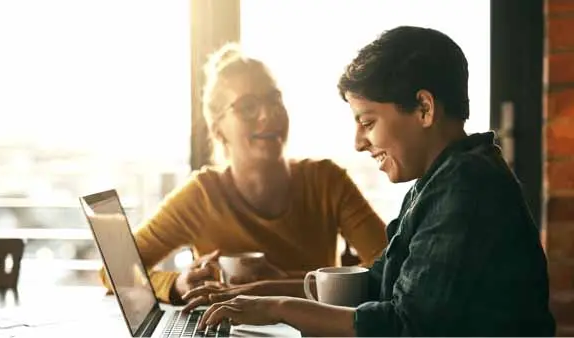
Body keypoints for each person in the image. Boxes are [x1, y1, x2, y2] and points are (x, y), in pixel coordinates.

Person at [190, 26, 556, 337]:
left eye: (367, 122)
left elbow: (404, 325)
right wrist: (253, 294)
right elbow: (374, 283)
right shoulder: (439, 180)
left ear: (424, 109)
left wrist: (279, 309)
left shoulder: (468, 186)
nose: (358, 142)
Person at [98, 43, 388, 305]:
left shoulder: (326, 181)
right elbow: (115, 269)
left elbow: (392, 267)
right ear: (218, 128)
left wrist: (276, 283)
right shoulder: (201, 196)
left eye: (274, 100)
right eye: (248, 107)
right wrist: (176, 285)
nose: (268, 114)